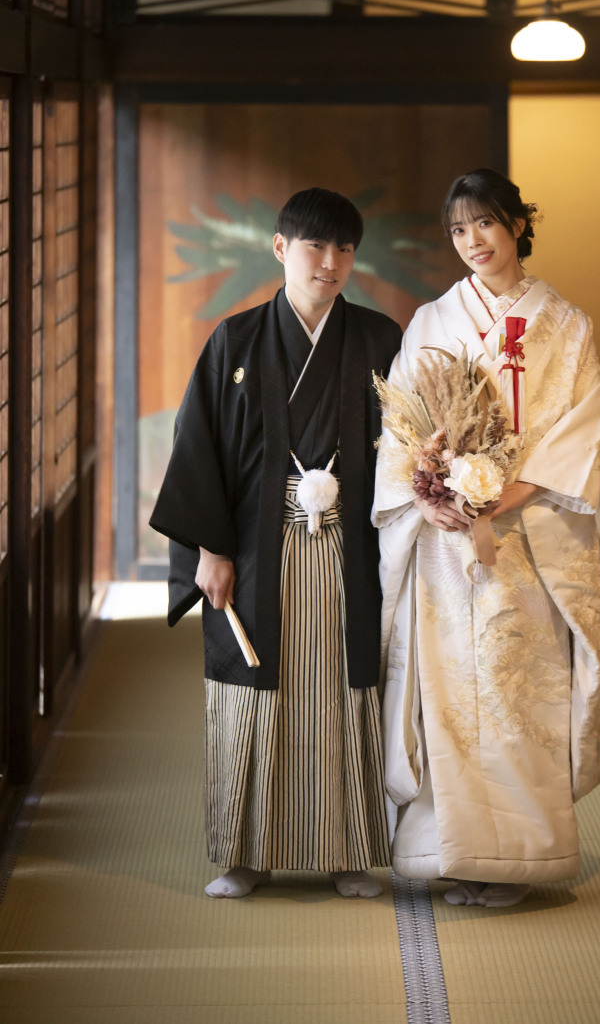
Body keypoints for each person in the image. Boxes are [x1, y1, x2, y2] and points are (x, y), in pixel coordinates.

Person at [373, 168, 600, 909]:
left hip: (525, 537)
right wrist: (431, 493)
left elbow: (582, 425)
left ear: (516, 224)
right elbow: (400, 426)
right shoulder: (431, 321)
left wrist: (505, 494)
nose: (471, 241)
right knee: (446, 694)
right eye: (457, 229)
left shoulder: (566, 324)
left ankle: (516, 858)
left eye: (485, 223)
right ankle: (451, 850)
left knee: (516, 694)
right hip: (448, 543)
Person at [150, 187, 402, 900]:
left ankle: (351, 849)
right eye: (315, 246)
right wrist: (210, 550)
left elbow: (412, 449)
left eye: (344, 249)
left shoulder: (382, 341)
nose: (330, 262)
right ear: (279, 248)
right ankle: (245, 852)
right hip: (258, 547)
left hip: (354, 550)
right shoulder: (235, 342)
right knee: (254, 694)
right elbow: (197, 450)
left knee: (346, 690)